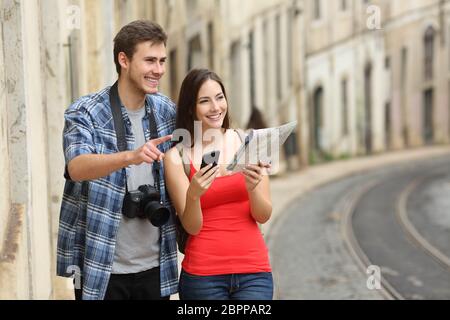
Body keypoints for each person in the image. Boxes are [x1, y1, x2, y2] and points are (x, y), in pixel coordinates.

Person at [56, 20, 178, 300]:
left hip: (156, 267)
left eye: (162, 61)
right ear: (123, 59)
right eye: (149, 60)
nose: (158, 70)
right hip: (100, 267)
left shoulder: (166, 111)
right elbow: (76, 167)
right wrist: (130, 157)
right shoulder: (85, 112)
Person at [164, 69, 274, 300]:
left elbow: (263, 215)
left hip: (254, 273)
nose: (216, 107)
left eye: (220, 97)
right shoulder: (176, 157)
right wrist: (194, 195)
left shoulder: (249, 142)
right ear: (190, 108)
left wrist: (253, 187)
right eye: (205, 101)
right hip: (203, 277)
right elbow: (191, 227)